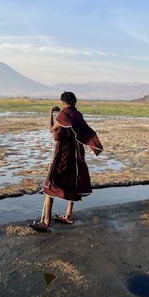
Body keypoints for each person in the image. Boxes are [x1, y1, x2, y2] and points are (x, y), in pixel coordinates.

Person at [30, 91, 103, 232]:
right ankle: (68, 216)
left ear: (63, 103)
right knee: (73, 181)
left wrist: (50, 112)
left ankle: (46, 222)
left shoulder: (63, 116)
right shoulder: (78, 115)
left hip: (62, 154)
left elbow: (52, 130)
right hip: (75, 155)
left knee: (49, 185)